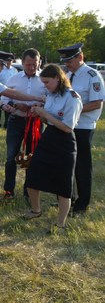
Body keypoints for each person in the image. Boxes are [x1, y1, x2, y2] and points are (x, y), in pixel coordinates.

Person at [23, 64, 82, 232]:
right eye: (43, 82)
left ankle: (61, 223)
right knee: (32, 177)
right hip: (48, 139)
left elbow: (67, 127)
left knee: (63, 186)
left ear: (58, 78)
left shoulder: (73, 97)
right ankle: (36, 210)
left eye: (47, 82)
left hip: (64, 143)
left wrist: (46, 114)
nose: (45, 86)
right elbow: (49, 120)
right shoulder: (51, 94)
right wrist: (39, 115)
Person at [60, 43, 105, 216]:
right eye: (65, 61)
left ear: (80, 57)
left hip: (83, 127)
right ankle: (68, 198)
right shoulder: (69, 74)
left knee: (82, 167)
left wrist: (72, 111)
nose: (67, 64)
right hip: (68, 125)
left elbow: (96, 103)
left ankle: (82, 204)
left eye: (69, 60)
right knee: (67, 164)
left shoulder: (92, 76)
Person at [0, 49, 46, 200]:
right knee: (11, 156)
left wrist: (38, 109)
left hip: (36, 123)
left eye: (35, 64)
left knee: (32, 157)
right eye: (28, 64)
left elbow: (51, 100)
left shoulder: (45, 79)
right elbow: (4, 99)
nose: (31, 68)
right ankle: (9, 190)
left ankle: (29, 191)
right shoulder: (14, 78)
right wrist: (14, 104)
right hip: (16, 121)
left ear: (39, 62)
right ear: (23, 63)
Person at [0, 57, 18, 128]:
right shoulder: (0, 69)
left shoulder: (14, 70)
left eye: (10, 61)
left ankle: (6, 125)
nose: (8, 62)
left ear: (12, 61)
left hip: (9, 91)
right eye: (7, 60)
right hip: (0, 90)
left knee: (8, 107)